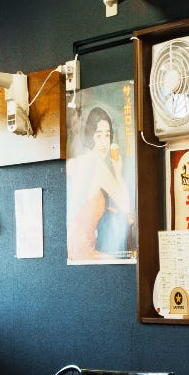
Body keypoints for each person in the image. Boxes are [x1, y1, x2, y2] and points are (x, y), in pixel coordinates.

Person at [68, 106, 133, 260]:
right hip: (85, 252)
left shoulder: (76, 162)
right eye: (99, 135)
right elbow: (125, 206)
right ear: (90, 135)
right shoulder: (97, 165)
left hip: (71, 250)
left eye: (107, 135)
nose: (104, 142)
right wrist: (118, 172)